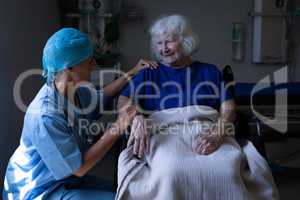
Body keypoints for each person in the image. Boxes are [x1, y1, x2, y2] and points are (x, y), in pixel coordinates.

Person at [3, 28, 158, 200]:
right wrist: (118, 126)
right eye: (89, 62)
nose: (94, 66)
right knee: (121, 197)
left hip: (64, 179)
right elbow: (80, 168)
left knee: (125, 188)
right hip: (39, 190)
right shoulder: (45, 116)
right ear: (69, 68)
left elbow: (100, 98)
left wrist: (132, 72)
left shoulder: (72, 89)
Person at [117, 14, 236, 158]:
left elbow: (229, 108)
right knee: (171, 170)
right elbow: (123, 100)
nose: (164, 48)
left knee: (228, 169)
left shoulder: (210, 72)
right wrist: (135, 116)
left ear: (186, 41)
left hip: (208, 135)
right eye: (159, 43)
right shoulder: (149, 72)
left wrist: (216, 136)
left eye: (169, 42)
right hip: (165, 138)